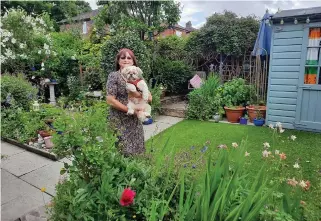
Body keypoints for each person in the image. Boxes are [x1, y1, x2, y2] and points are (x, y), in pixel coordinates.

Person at [106, 48, 152, 156]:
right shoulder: (114, 76)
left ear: (133, 61)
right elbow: (110, 100)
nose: (126, 60)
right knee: (123, 152)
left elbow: (150, 98)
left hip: (135, 121)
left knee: (138, 150)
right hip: (119, 120)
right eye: (123, 58)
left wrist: (137, 94)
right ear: (118, 61)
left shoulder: (138, 77)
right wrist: (130, 110)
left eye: (129, 58)